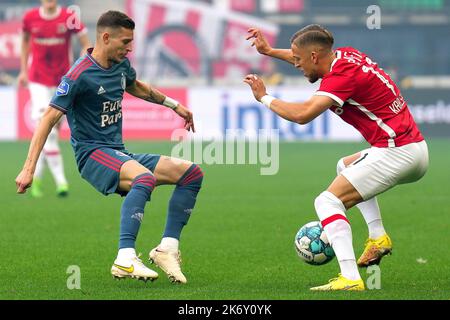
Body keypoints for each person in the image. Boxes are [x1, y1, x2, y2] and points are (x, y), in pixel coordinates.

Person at [16, 10, 203, 284]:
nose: (130, 48)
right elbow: (48, 118)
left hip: (118, 152)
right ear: (106, 37)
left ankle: (167, 248)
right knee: (143, 178)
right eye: (125, 42)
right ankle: (125, 258)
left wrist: (175, 106)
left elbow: (136, 86)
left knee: (191, 174)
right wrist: (28, 169)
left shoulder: (120, 65)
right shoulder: (79, 74)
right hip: (92, 155)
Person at [244, 25, 428, 291]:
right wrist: (270, 52)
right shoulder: (344, 56)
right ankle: (378, 238)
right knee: (345, 165)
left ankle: (350, 278)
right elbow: (305, 56)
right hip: (413, 148)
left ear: (315, 57)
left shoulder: (340, 78)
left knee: (327, 201)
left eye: (298, 59)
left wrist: (264, 98)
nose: (296, 64)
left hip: (397, 151)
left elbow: (302, 115)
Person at [18, 0, 92, 198]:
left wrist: (81, 69)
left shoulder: (69, 17)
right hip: (37, 79)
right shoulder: (30, 17)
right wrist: (23, 70)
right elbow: (24, 42)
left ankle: (36, 178)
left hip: (62, 80)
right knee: (47, 129)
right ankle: (61, 181)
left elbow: (87, 45)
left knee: (50, 133)